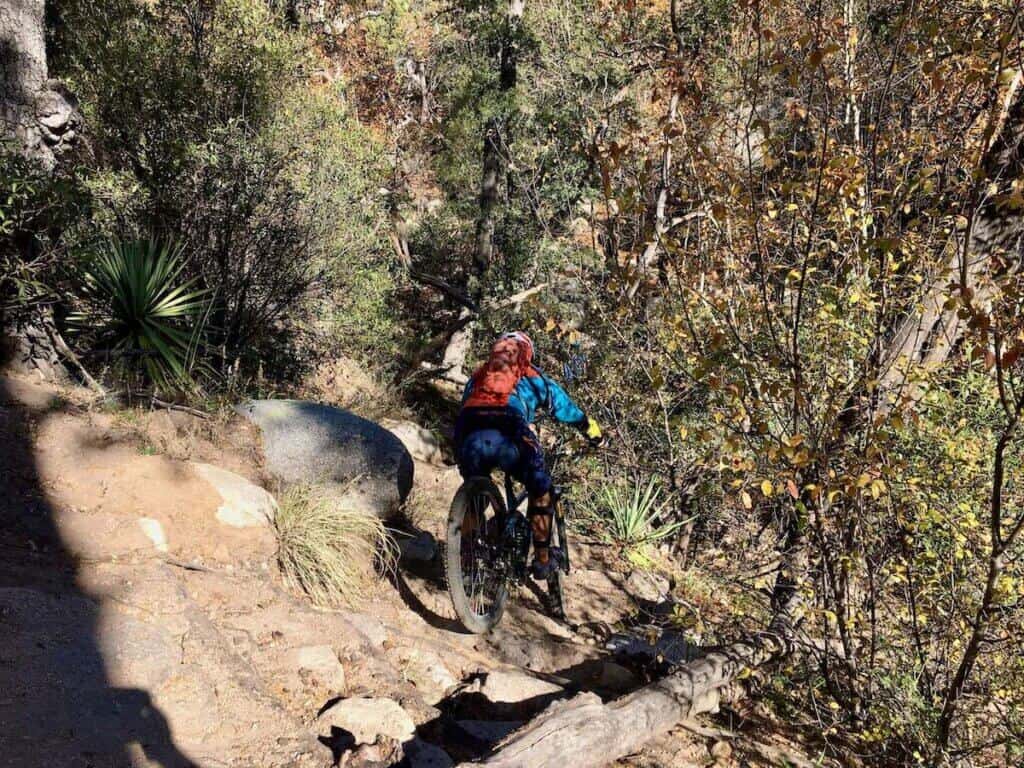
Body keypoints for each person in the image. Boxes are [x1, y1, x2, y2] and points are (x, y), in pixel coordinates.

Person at [454, 331, 602, 579]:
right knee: (539, 487)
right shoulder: (531, 376)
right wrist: (591, 430)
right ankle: (543, 562)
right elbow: (565, 408)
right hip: (508, 425)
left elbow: (465, 405)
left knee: (474, 491)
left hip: (469, 430)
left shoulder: (480, 375)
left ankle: (466, 560)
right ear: (527, 353)